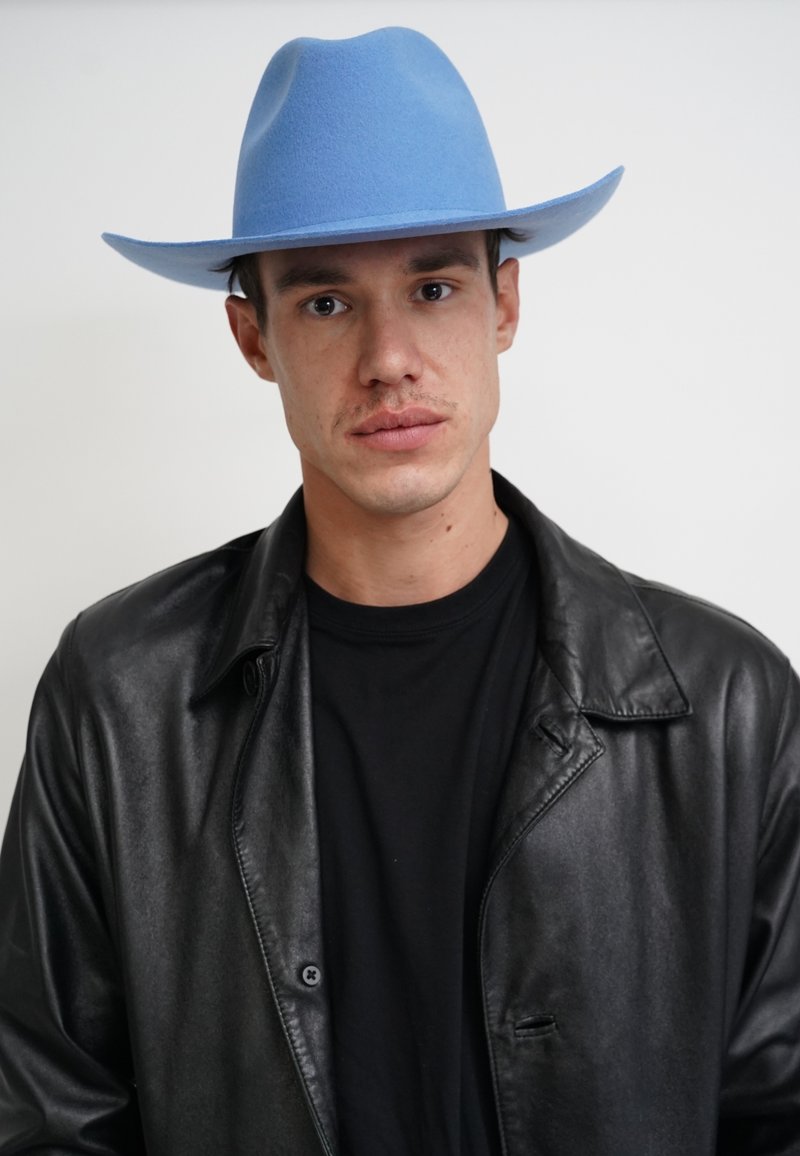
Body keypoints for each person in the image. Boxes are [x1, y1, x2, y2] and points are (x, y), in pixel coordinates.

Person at [0, 25, 797, 1156]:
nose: (388, 357)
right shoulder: (120, 695)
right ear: (252, 335)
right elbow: (46, 1117)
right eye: (326, 303)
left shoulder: (726, 702)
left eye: (431, 286)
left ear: (503, 305)